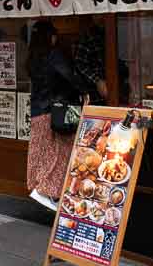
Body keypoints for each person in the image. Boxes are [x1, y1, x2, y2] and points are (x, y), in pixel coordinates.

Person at [26, 21, 91, 211]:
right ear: (49, 37)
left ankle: (44, 190)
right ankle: (47, 192)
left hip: (38, 112)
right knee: (61, 153)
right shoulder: (53, 55)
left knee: (42, 153)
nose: (56, 38)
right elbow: (69, 75)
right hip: (55, 112)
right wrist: (85, 91)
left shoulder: (33, 57)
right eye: (53, 35)